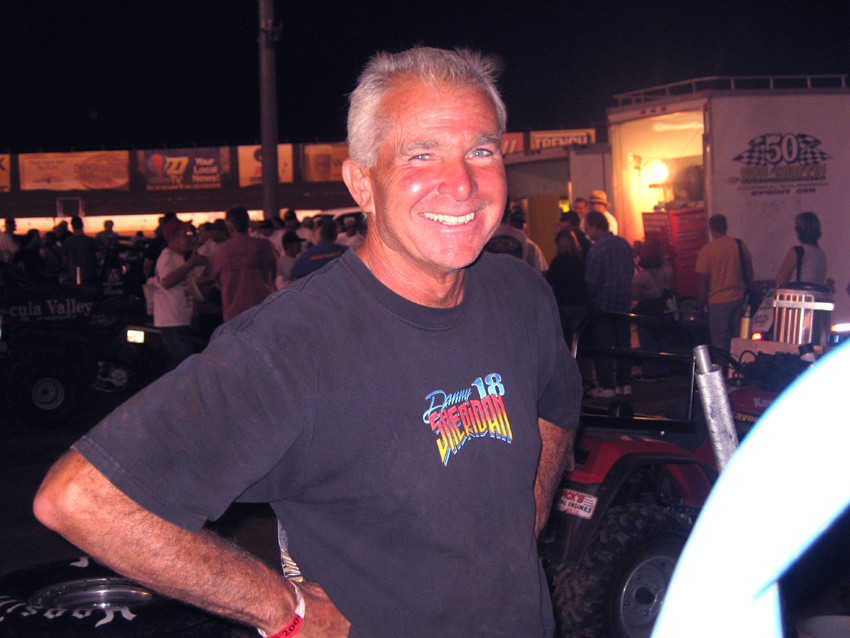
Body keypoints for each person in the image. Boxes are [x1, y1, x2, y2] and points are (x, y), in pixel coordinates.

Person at [34, 46, 581, 637]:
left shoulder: (522, 294)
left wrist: (523, 519)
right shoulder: (288, 348)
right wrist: (285, 608)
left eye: (481, 151)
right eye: (421, 154)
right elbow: (82, 498)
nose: (463, 183)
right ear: (362, 184)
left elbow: (556, 406)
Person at [584, 209, 634, 397]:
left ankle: (607, 386)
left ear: (595, 227)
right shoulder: (624, 244)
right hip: (624, 303)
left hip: (603, 305)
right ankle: (625, 383)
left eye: (587, 228)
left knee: (603, 346)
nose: (586, 232)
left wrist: (589, 298)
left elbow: (592, 282)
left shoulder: (597, 248)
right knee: (623, 345)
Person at [153, 220, 208, 371]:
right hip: (172, 322)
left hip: (180, 320)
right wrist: (190, 264)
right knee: (182, 365)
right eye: (186, 234)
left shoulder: (178, 258)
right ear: (173, 238)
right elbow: (166, 282)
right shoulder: (167, 257)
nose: (190, 238)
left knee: (182, 364)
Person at [208, 206, 277, 322]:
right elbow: (273, 274)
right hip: (262, 312)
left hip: (234, 315)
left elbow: (218, 280)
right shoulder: (265, 246)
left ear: (229, 228)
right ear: (249, 224)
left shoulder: (222, 251)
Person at [695, 214, 753, 352]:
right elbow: (749, 272)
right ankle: (738, 364)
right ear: (726, 227)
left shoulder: (706, 251)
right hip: (739, 299)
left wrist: (699, 305)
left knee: (719, 341)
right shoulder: (739, 245)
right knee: (739, 340)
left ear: (711, 229)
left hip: (717, 302)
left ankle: (722, 365)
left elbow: (702, 281)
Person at [631, 240, 674, 381]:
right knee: (664, 342)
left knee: (648, 343)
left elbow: (636, 295)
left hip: (647, 311)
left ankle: (650, 372)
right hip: (664, 310)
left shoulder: (641, 277)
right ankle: (664, 371)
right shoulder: (666, 272)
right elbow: (667, 264)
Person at [774, 212, 828, 288]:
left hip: (796, 294)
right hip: (814, 295)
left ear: (798, 231)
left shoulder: (797, 252)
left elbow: (780, 280)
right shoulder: (821, 254)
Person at [62, 215, 101, 285]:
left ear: (72, 227)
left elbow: (65, 260)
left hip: (73, 275)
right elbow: (98, 256)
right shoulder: (91, 241)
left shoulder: (67, 242)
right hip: (89, 275)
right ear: (82, 225)